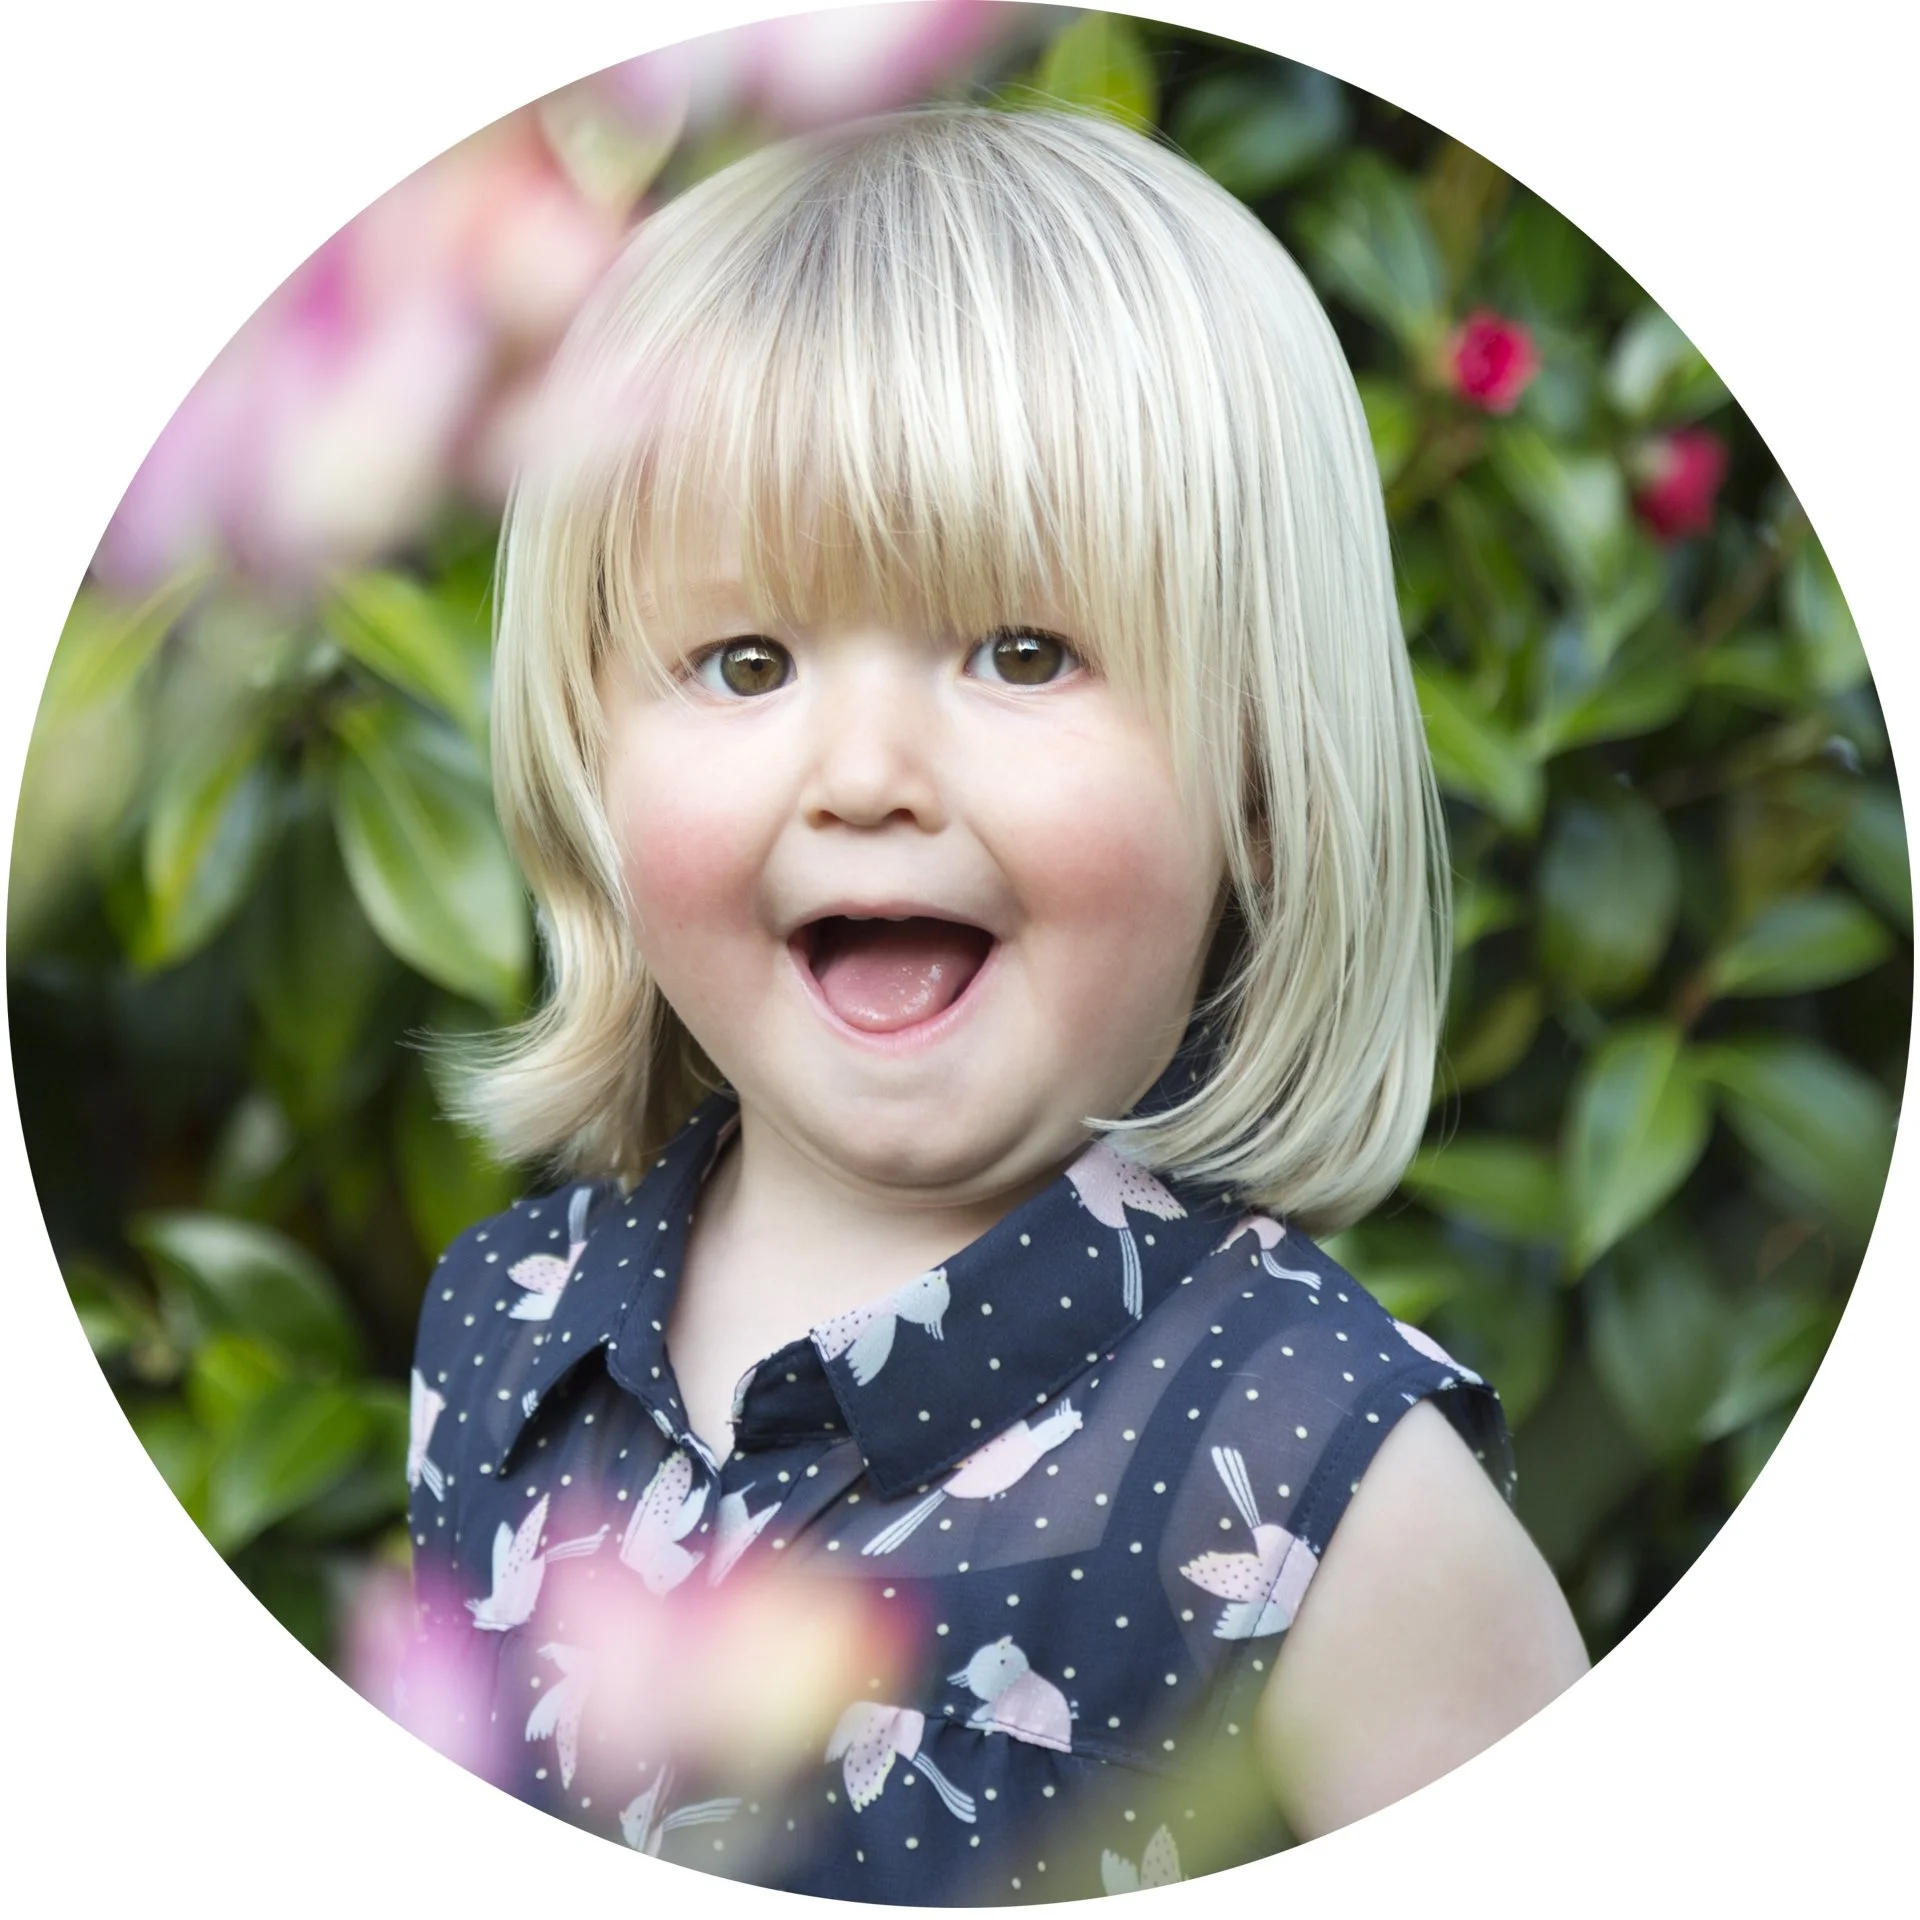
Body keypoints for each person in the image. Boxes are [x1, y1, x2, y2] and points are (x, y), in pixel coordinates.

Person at [401, 104, 1588, 1902]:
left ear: (1259, 777)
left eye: (1020, 652)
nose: (866, 770)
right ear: (586, 756)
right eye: (745, 661)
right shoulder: (502, 1333)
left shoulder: (1323, 1484)